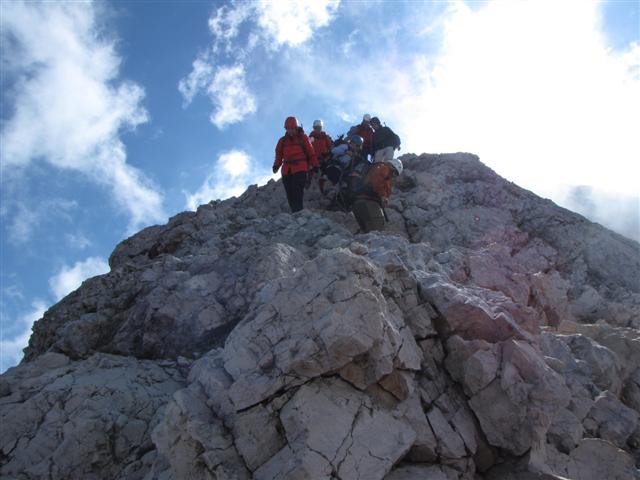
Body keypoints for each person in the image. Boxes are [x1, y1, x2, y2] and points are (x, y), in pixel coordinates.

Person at [273, 116, 318, 213]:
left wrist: (315, 165)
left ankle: (298, 212)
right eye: (288, 129)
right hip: (286, 171)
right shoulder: (282, 141)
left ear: (296, 128)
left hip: (300, 168)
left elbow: (311, 152)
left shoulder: (303, 138)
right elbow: (279, 154)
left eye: (292, 128)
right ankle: (295, 213)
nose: (290, 131)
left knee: (297, 191)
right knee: (290, 194)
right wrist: (276, 165)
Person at [351, 157, 403, 233]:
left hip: (358, 202)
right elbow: (376, 182)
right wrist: (382, 196)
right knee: (377, 230)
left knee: (366, 231)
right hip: (369, 202)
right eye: (395, 173)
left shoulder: (377, 168)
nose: (393, 176)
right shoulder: (385, 168)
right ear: (392, 167)